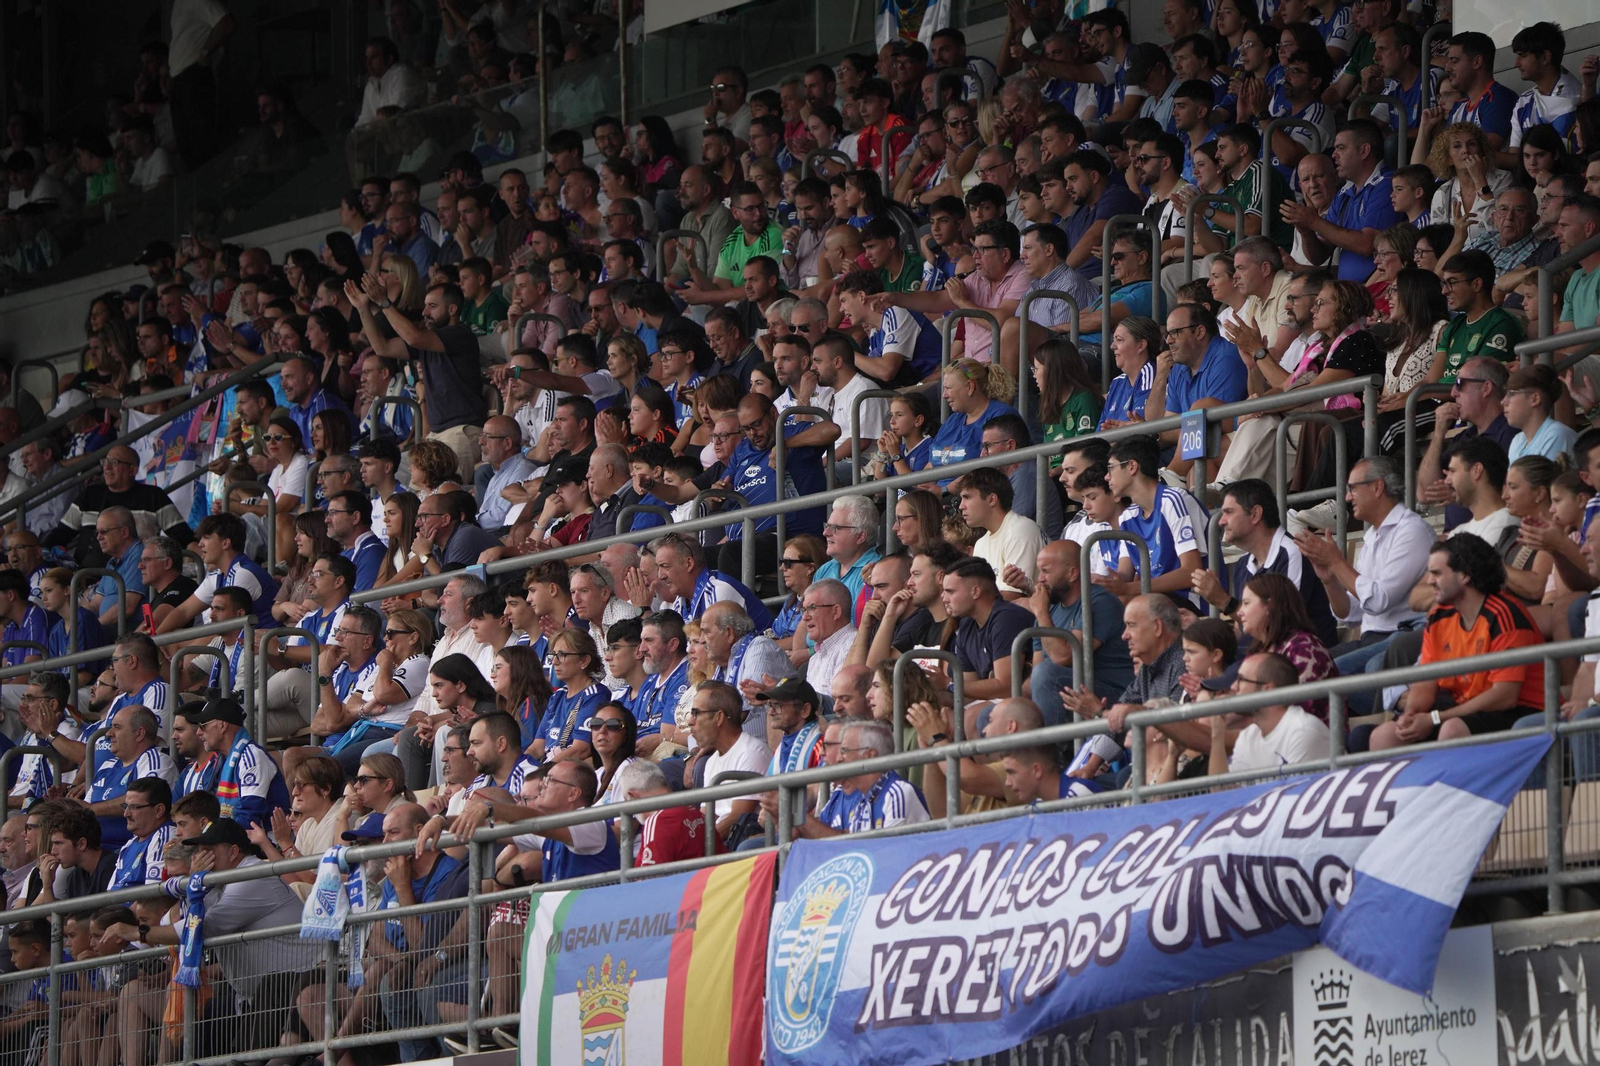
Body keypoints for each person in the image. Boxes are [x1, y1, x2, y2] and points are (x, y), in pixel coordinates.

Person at [1370, 535, 1546, 749]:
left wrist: (1436, 718)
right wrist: (1411, 716)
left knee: (1452, 729)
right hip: (1465, 712)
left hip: (1521, 713)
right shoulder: (1439, 618)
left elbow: (1505, 697)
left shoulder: (1504, 614)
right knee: (1385, 736)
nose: (1429, 581)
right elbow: (1426, 682)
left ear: (1464, 576)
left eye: (1436, 573)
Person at [1294, 456, 1436, 710]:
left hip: (1400, 638)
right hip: (1370, 637)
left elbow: (1378, 600)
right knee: (1303, 667)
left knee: (1320, 676)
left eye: (1352, 489)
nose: (1347, 498)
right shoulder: (1372, 535)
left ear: (1378, 487)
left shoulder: (1411, 531)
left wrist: (1337, 562)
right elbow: (1350, 612)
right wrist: (1329, 580)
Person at [348, 278, 489, 482]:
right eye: (425, 306)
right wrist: (363, 309)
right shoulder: (427, 342)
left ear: (452, 309)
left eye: (432, 306)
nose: (424, 312)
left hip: (462, 432)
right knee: (393, 478)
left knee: (443, 496)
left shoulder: (460, 334)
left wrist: (385, 303)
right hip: (435, 435)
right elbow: (382, 348)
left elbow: (413, 337)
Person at [1191, 479, 1338, 647]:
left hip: (1298, 659)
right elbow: (1243, 630)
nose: (1221, 521)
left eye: (1229, 512)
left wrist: (1224, 602)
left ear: (1255, 514)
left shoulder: (1292, 553)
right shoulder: (1243, 564)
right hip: (1260, 655)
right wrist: (1201, 630)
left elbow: (1278, 628)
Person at [1208, 652, 1330, 774]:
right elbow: (1224, 791)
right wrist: (1217, 736)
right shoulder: (1248, 736)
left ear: (1267, 690)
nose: (1234, 687)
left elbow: (1300, 791)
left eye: (1241, 680)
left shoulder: (1303, 732)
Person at [959, 467, 1045, 599]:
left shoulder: (1020, 529)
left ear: (992, 499)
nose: (961, 506)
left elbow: (1013, 596)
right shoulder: (980, 544)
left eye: (967, 497)